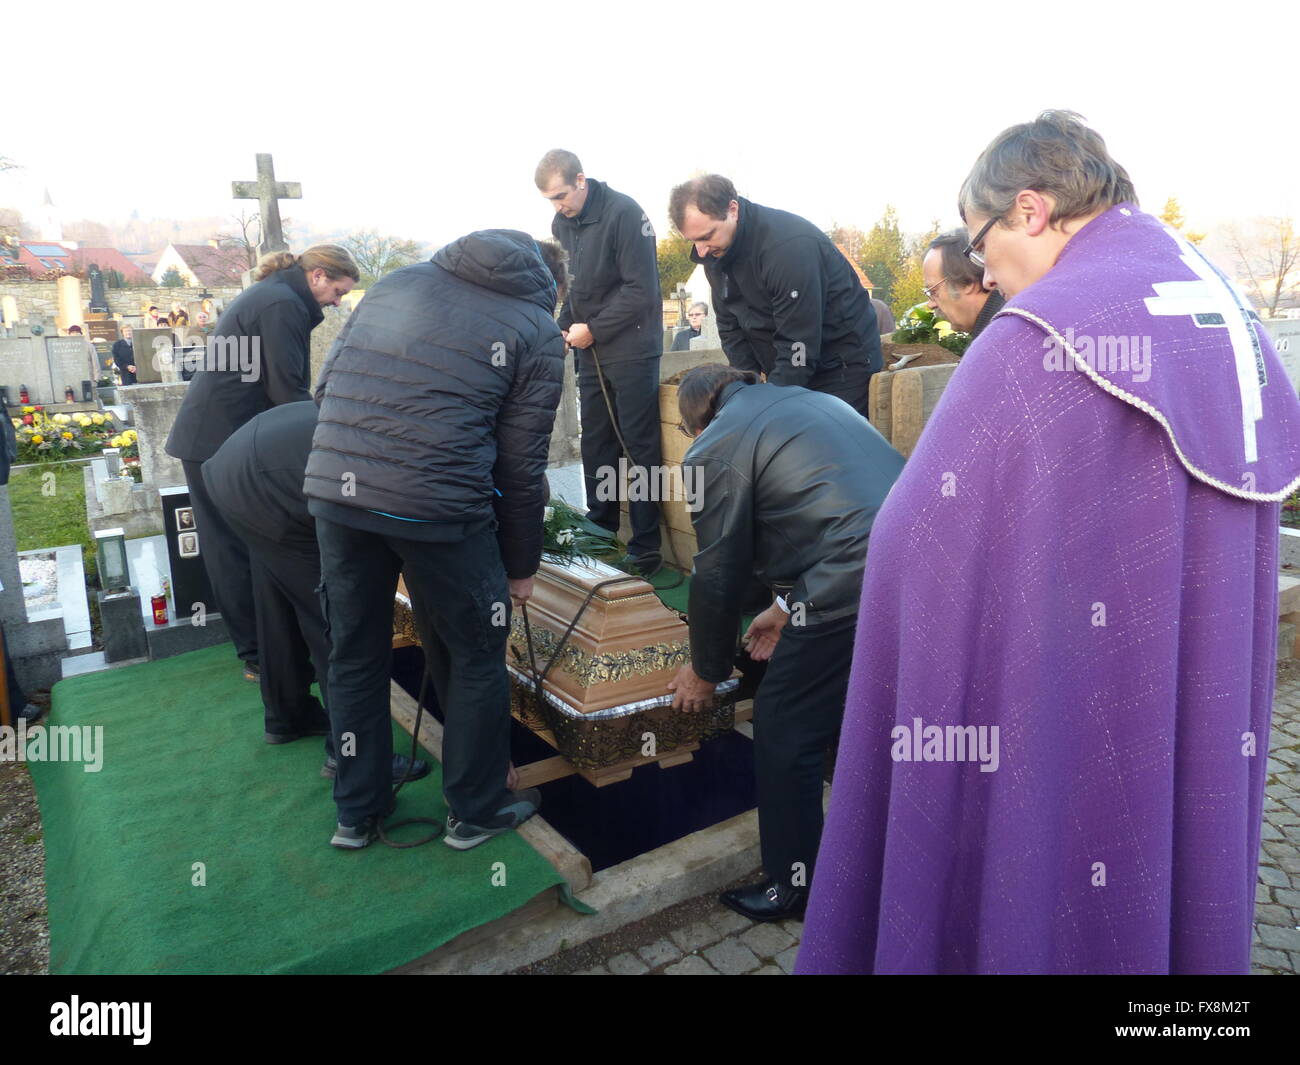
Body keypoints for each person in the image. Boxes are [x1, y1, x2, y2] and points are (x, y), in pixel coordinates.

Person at [798, 112, 1300, 975]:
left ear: (1030, 209)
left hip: (1066, 681)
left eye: (980, 240)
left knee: (1049, 859)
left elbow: (914, 539)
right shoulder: (1228, 310)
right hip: (1189, 675)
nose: (984, 269)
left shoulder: (1042, 335)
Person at [305, 229, 565, 851]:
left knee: (354, 652)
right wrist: (520, 565)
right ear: (550, 285)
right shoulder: (535, 326)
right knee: (478, 653)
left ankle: (357, 811)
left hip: (338, 495)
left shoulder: (397, 282)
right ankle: (476, 809)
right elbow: (520, 466)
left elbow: (325, 388)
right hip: (440, 508)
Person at [667, 364, 903, 921]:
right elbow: (824, 510)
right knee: (862, 712)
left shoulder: (714, 448)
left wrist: (705, 670)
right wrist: (780, 609)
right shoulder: (810, 401)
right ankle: (878, 848)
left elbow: (718, 574)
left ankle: (793, 886)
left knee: (783, 727)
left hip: (853, 579)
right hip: (920, 555)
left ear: (696, 420)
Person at [202, 401, 429, 785]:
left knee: (279, 603)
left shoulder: (402, 417)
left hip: (234, 467)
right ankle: (347, 753)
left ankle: (287, 715)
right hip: (274, 481)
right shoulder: (428, 452)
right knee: (337, 624)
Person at [164, 244, 358, 682]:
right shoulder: (282, 304)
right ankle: (258, 655)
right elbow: (286, 390)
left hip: (220, 434)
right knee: (232, 549)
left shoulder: (279, 295)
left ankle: (270, 652)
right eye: (338, 290)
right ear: (319, 276)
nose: (337, 301)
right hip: (217, 439)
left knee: (242, 547)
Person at [536, 149, 664, 575]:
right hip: (591, 349)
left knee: (639, 447)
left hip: (634, 346)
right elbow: (575, 289)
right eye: (550, 200)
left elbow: (641, 290)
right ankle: (602, 528)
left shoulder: (626, 214)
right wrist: (562, 324)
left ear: (581, 181)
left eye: (560, 196)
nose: (557, 207)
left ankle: (646, 545)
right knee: (597, 442)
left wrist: (594, 329)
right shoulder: (562, 223)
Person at [669, 174, 882, 415]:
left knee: (829, 444)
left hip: (839, 364)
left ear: (733, 210)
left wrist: (772, 406)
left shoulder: (786, 249)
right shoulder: (715, 252)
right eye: (694, 241)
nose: (701, 250)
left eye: (707, 236)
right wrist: (746, 389)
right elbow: (730, 328)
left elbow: (799, 342)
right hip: (788, 362)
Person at [922, 228, 1006, 338]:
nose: (930, 305)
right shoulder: (1007, 323)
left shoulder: (998, 341)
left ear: (968, 282)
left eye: (933, 291)